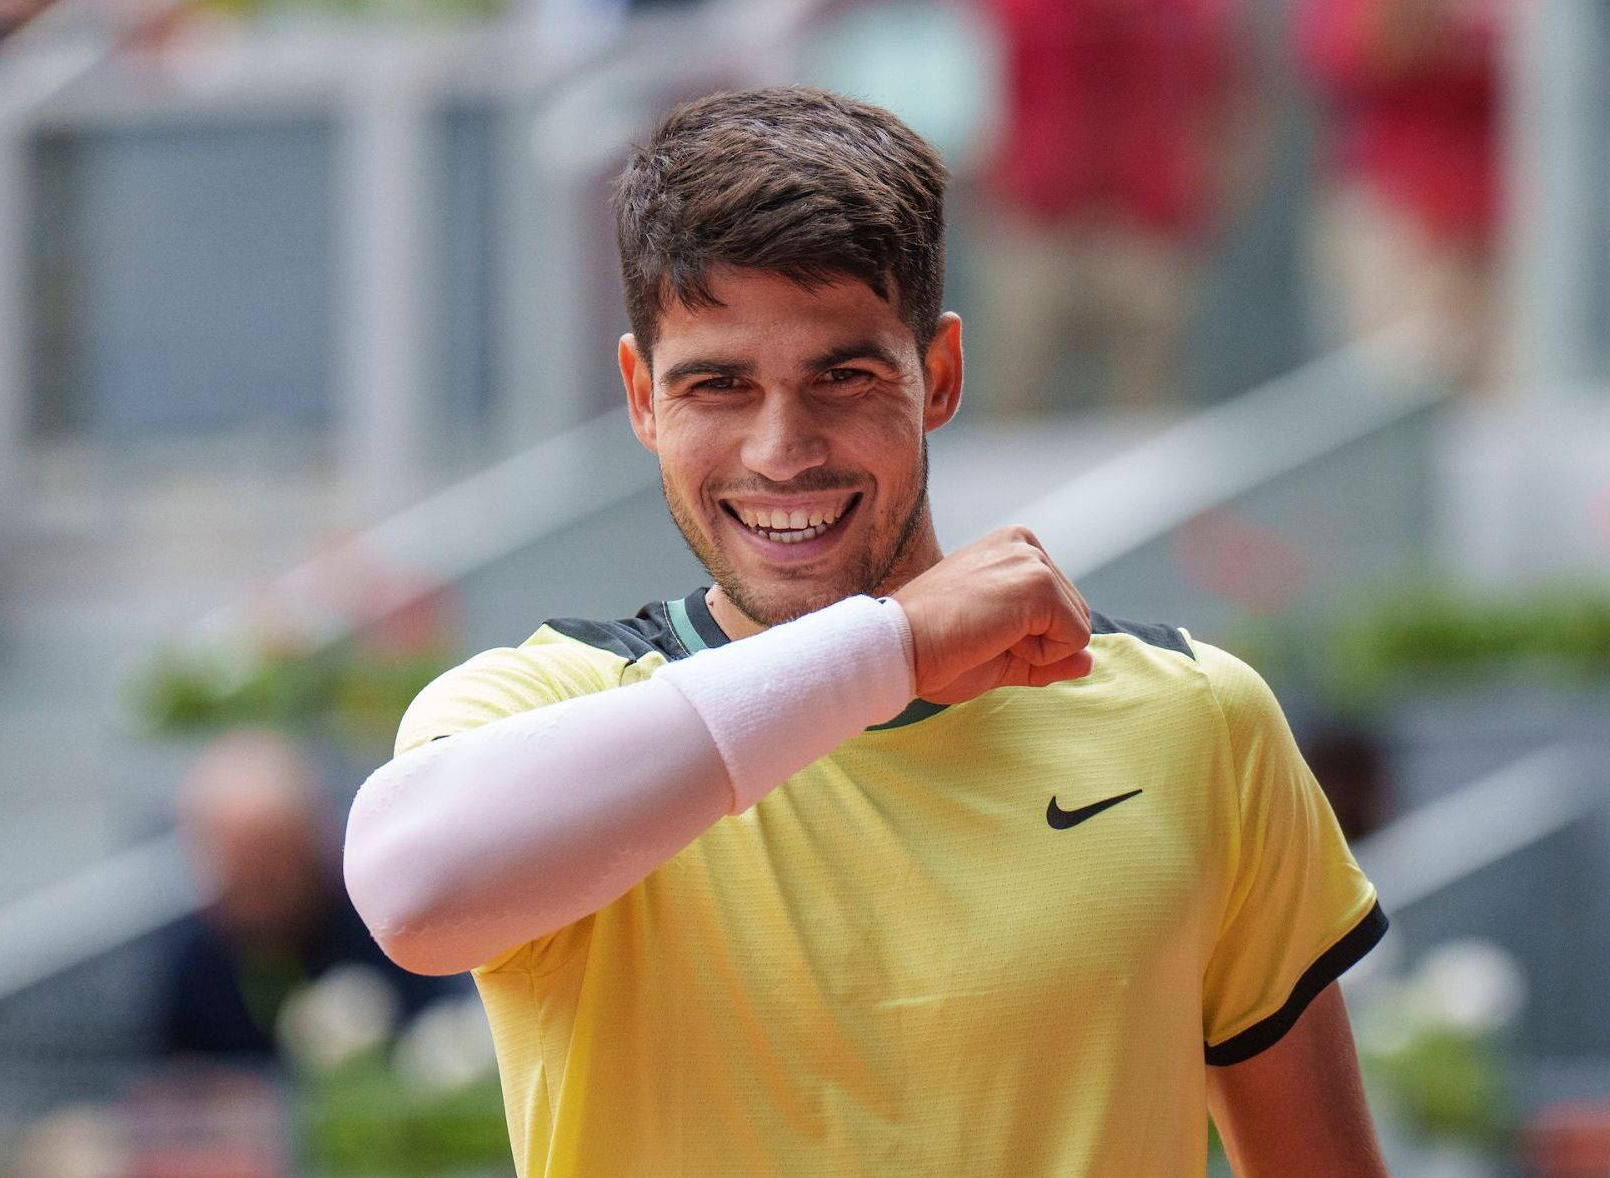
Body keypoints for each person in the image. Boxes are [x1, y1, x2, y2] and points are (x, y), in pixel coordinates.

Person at [344, 87, 1390, 1175]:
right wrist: (892, 648)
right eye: (717, 385)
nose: (781, 450)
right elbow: (409, 891)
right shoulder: (540, 705)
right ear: (641, 396)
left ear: (938, 375)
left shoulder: (1196, 717)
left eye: (841, 376)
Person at [977, 0, 1257, 415]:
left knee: (1150, 408)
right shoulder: (1016, 10)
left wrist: (1205, 201)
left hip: (1150, 232)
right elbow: (971, 92)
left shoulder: (1193, 13)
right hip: (1036, 228)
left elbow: (1230, 104)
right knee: (1010, 396)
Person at [159, 729, 453, 1059]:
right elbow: (168, 1070)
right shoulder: (196, 962)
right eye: (240, 873)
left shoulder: (383, 928)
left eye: (272, 866)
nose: (259, 898)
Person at [1299, 0, 1505, 390]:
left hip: (1506, 224)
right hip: (1405, 216)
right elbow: (1348, 51)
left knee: (1499, 393)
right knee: (1403, 379)